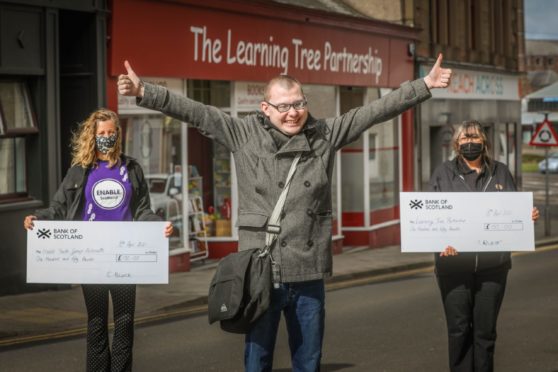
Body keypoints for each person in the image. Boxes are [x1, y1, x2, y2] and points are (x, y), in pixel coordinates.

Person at [118, 55, 452, 372]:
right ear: (265, 108)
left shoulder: (324, 135)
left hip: (307, 271)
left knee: (308, 359)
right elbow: (197, 112)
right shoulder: (243, 133)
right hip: (260, 268)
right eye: (283, 107)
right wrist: (145, 91)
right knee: (257, 358)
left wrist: (424, 85)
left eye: (298, 104)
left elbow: (374, 112)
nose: (292, 113)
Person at [23, 108, 173, 372]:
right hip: (91, 258)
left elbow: (142, 210)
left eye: (110, 132)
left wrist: (158, 226)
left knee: (125, 322)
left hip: (124, 258)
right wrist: (38, 218)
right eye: (101, 133)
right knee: (96, 322)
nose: (106, 137)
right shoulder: (80, 171)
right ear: (93, 136)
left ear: (118, 134)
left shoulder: (132, 168)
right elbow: (59, 206)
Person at [429, 120, 540, 372]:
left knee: (485, 333)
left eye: (475, 138)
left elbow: (513, 214)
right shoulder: (443, 173)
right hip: (453, 266)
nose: (470, 143)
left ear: (485, 142)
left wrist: (527, 216)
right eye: (465, 139)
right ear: (457, 144)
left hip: (493, 267)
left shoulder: (500, 172)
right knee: (458, 331)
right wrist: (440, 243)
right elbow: (430, 219)